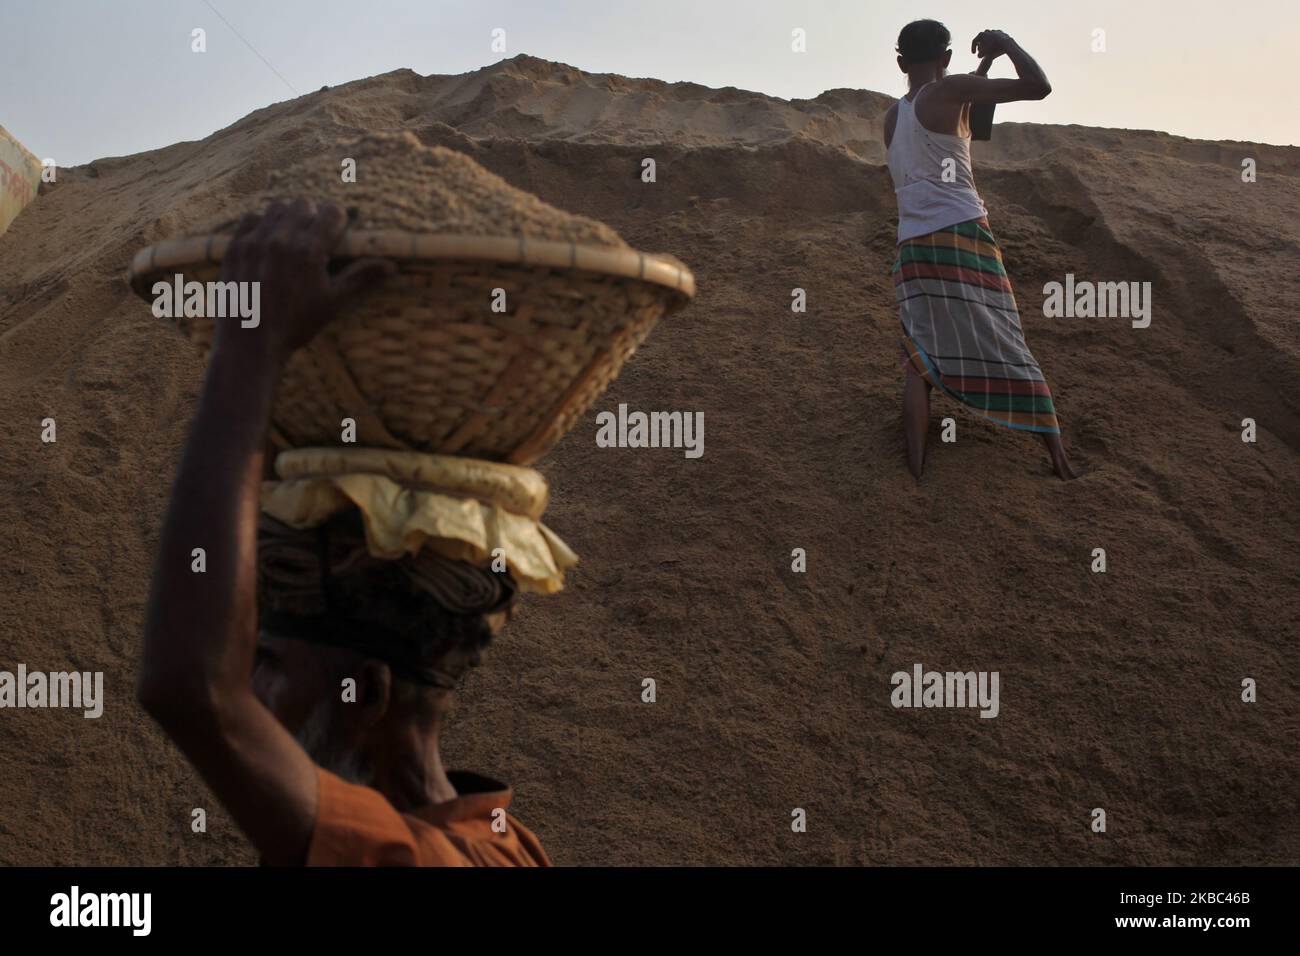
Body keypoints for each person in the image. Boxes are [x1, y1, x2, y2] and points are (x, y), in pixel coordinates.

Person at [138, 198, 550, 865]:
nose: (249, 688)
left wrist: (252, 344)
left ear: (367, 693)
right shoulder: (501, 841)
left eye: (266, 665)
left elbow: (192, 689)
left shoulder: (418, 861)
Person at [884, 20, 1081, 480]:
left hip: (912, 243)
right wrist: (1007, 44)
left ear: (899, 62)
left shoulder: (891, 116)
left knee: (920, 351)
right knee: (1004, 332)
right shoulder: (951, 88)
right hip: (961, 232)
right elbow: (1039, 87)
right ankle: (1059, 460)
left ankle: (915, 468)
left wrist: (986, 67)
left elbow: (973, 129)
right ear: (947, 58)